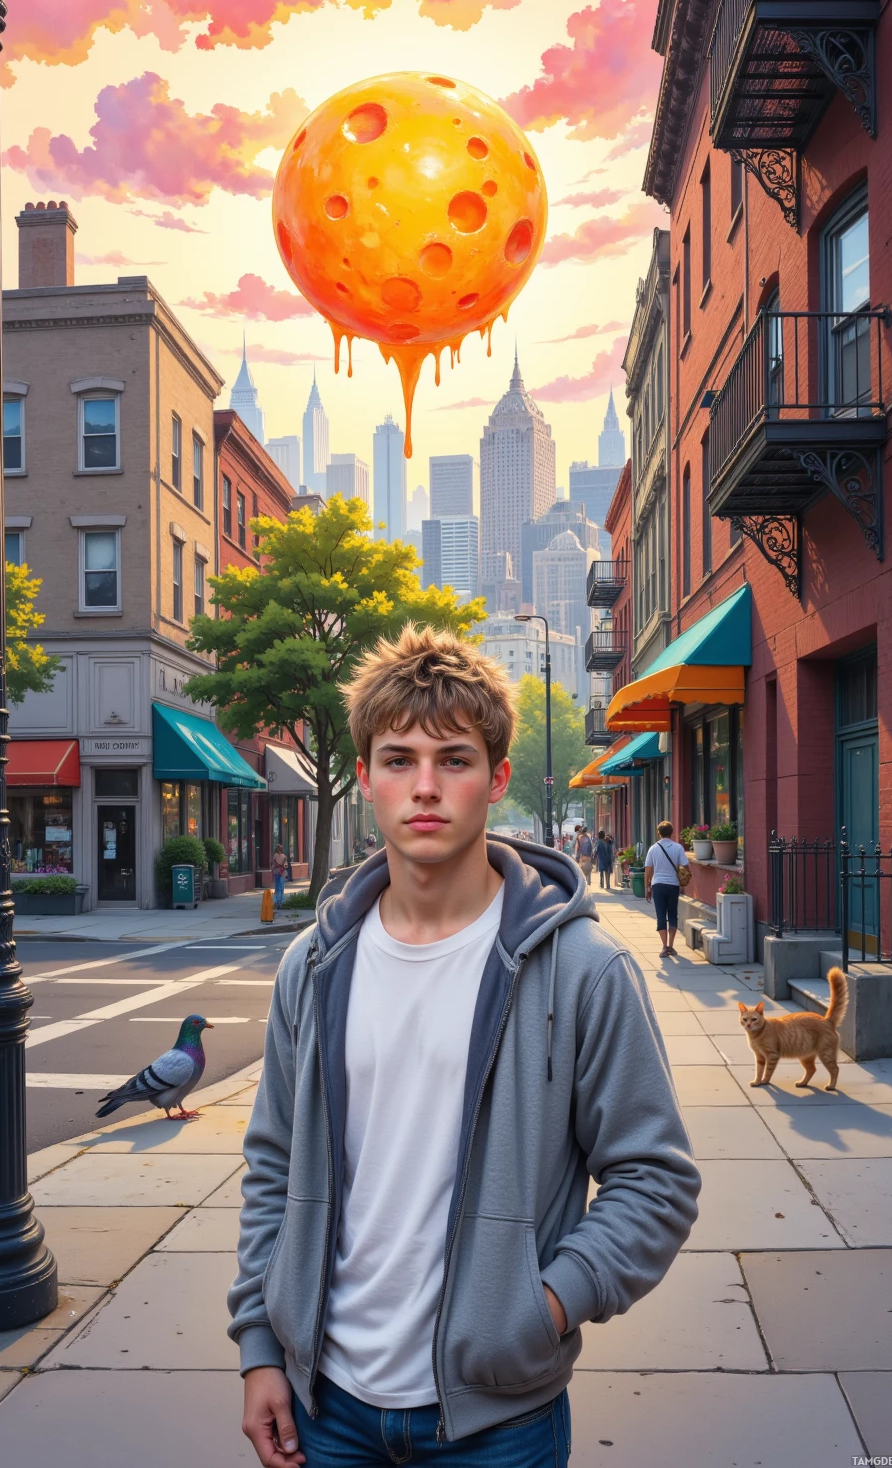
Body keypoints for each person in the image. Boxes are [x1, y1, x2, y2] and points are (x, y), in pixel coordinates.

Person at [230, 624, 700, 1468]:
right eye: (399, 758)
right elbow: (272, 1164)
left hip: (496, 1423)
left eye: (453, 759)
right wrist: (262, 1343)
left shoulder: (583, 970)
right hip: (322, 1406)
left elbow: (654, 1179)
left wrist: (543, 1306)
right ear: (367, 777)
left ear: (496, 780)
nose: (425, 786)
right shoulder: (313, 965)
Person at [644, 820, 689, 958]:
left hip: (658, 885)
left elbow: (648, 870)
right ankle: (671, 946)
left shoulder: (653, 848)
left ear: (659, 833)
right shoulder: (678, 848)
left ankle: (663, 947)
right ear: (672, 832)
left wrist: (647, 887)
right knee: (673, 914)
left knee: (661, 915)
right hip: (673, 885)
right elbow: (686, 866)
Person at [271, 844, 288, 909]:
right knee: (280, 888)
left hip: (278, 873)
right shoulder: (283, 857)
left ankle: (278, 902)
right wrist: (282, 865)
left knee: (278, 888)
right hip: (281, 873)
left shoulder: (277, 856)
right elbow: (285, 866)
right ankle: (279, 902)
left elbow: (275, 865)